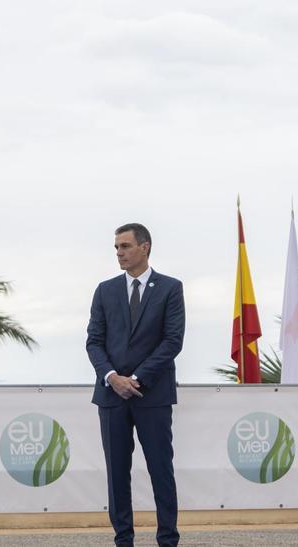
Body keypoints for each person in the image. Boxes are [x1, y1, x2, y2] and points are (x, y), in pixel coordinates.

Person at [86, 223, 185, 547]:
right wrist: (112, 377)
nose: (119, 253)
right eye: (116, 247)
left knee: (161, 470)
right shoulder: (104, 290)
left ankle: (168, 539)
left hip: (152, 395)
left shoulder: (170, 288)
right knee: (117, 473)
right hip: (111, 395)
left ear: (145, 247)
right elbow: (94, 342)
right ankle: (123, 540)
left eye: (125, 246)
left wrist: (138, 379)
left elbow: (172, 341)